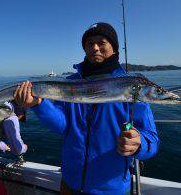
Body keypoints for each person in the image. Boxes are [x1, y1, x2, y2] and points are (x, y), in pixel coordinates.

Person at [14, 22, 159, 195]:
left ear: (114, 47)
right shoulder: (70, 82)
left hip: (111, 190)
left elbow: (152, 140)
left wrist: (139, 144)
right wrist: (38, 104)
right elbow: (62, 126)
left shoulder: (132, 86)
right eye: (90, 43)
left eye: (101, 42)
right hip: (69, 184)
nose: (95, 48)